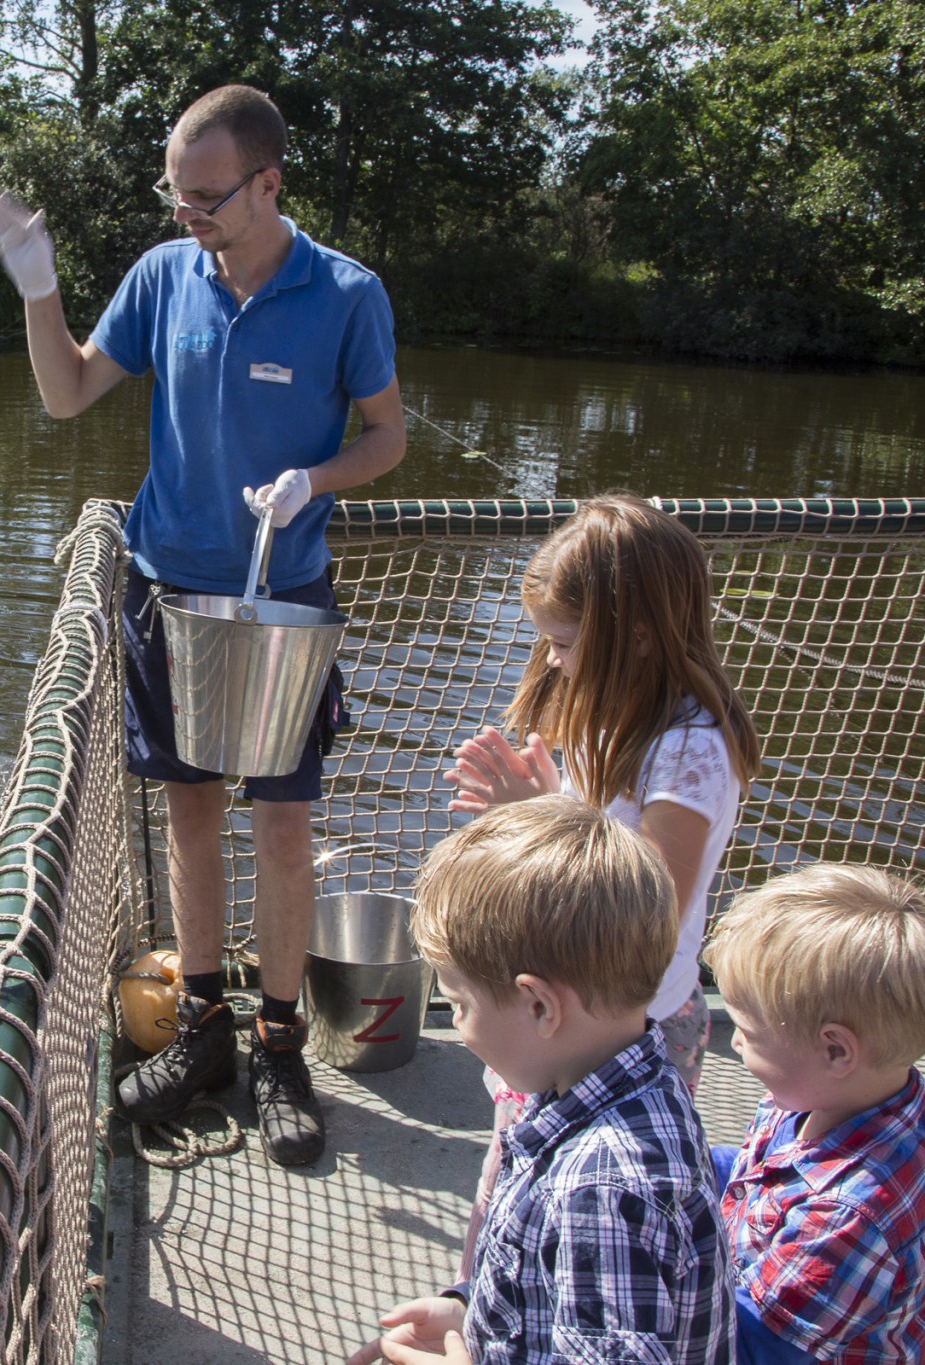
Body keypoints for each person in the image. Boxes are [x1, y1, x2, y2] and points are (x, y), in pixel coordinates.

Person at [0, 84, 405, 1164]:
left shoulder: (345, 293)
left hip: (279, 601)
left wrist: (314, 478)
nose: (187, 217)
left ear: (269, 183)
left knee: (281, 827)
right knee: (189, 817)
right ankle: (204, 1026)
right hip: (166, 589)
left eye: (207, 198)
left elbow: (387, 437)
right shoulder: (164, 275)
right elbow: (68, 394)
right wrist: (39, 294)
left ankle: (278, 1045)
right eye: (174, 196)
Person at [442, 493, 761, 1272]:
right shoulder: (619, 714)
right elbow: (603, 839)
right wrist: (547, 805)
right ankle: (486, 1303)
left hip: (628, 1028)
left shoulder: (690, 752)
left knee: (602, 1209)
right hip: (567, 1008)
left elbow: (645, 911)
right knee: (515, 1185)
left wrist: (540, 817)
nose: (550, 659)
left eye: (562, 640)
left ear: (638, 636)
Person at [348, 796, 731, 1365]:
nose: (459, 1026)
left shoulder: (602, 1194)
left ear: (538, 1007)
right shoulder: (630, 1077)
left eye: (457, 1004)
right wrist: (472, 1306)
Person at [702, 863, 925, 1365]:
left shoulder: (849, 1215)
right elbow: (755, 1174)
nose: (734, 1043)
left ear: (835, 1051)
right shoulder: (811, 1095)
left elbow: (748, 1348)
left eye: (748, 1032)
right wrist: (682, 1161)